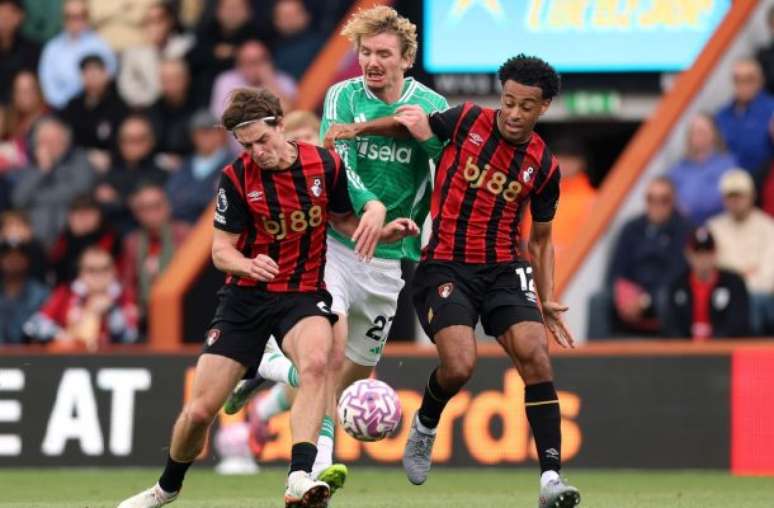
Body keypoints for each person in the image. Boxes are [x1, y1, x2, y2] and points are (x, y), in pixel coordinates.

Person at [116, 87, 417, 508]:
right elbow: (221, 250)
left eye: (262, 139)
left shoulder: (323, 164)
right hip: (245, 299)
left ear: (280, 125)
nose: (257, 152)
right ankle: (166, 488)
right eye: (247, 145)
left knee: (318, 364)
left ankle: (299, 476)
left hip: (302, 295)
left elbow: (343, 221)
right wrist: (246, 263)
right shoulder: (236, 178)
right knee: (200, 412)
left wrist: (381, 234)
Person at [325, 54, 581, 506]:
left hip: (504, 269)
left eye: (526, 106)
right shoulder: (466, 120)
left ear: (543, 107)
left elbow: (541, 240)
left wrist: (548, 297)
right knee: (460, 365)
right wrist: (358, 129)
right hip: (446, 264)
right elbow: (410, 125)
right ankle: (426, 424)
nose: (514, 113)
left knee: (536, 355)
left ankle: (551, 480)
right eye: (508, 101)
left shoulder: (543, 165)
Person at [223, 5, 448, 492]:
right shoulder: (343, 95)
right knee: (327, 351)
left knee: (351, 373)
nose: (372, 62)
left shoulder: (431, 103)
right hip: (336, 244)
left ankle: (270, 374)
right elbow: (339, 159)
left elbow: (443, 162)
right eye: (365, 52)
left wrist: (426, 137)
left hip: (390, 258)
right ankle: (317, 465)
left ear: (406, 58)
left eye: (383, 53)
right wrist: (371, 209)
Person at [587, 177, 691, 339]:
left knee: (667, 297)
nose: (657, 205)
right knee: (598, 301)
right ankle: (595, 353)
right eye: (651, 199)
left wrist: (645, 299)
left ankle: (672, 350)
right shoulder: (631, 228)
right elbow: (616, 270)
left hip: (662, 294)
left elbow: (678, 273)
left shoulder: (684, 229)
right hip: (631, 294)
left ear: (673, 201)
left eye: (664, 200)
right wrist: (625, 296)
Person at [24, 245, 139, 350]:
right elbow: (33, 326)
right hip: (73, 360)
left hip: (113, 362)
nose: (98, 276)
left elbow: (131, 336)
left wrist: (111, 311)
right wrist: (62, 335)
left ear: (114, 271)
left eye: (104, 269)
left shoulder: (122, 297)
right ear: (81, 272)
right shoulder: (66, 294)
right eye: (91, 270)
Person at [707, 169, 774, 335]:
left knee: (756, 301)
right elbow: (712, 270)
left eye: (740, 196)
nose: (735, 201)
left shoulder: (768, 227)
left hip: (760, 296)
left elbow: (769, 276)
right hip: (724, 294)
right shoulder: (713, 228)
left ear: (752, 196)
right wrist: (743, 276)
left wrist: (738, 280)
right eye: (730, 196)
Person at [12, 116, 96, 244]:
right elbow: (18, 200)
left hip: (70, 234)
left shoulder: (79, 159)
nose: (49, 145)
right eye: (43, 141)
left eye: (54, 140)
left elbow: (80, 191)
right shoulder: (30, 167)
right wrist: (41, 170)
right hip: (33, 237)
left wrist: (35, 198)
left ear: (66, 142)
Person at [663, 226, 750, 339]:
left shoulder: (733, 283)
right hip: (685, 348)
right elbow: (671, 326)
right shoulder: (677, 284)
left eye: (708, 253)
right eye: (698, 254)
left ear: (715, 254)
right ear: (688, 255)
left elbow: (738, 324)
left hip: (723, 348)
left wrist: (713, 340)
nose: (703, 259)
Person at [121, 182, 190, 321]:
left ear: (168, 207)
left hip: (182, 310)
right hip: (145, 313)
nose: (151, 214)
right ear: (136, 213)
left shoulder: (185, 235)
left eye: (156, 206)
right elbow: (128, 283)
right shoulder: (132, 242)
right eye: (144, 209)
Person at [38, 0, 116, 109]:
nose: (74, 21)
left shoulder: (100, 45)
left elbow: (109, 76)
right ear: (62, 18)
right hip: (62, 109)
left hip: (95, 106)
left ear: (87, 18)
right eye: (69, 17)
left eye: (79, 16)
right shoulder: (52, 48)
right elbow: (48, 85)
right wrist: (66, 106)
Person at [60, 53, 129, 172]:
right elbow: (66, 135)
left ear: (106, 74)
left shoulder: (119, 105)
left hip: (111, 163)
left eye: (95, 71)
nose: (91, 76)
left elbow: (123, 139)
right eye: (87, 72)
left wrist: (110, 156)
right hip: (76, 160)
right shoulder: (73, 105)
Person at [117, 1, 195, 107]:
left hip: (183, 106)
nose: (155, 27)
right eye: (149, 21)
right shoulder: (133, 54)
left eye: (159, 20)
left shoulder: (187, 47)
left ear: (170, 21)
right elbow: (127, 87)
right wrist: (153, 102)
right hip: (148, 108)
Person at [668, 113, 738, 226]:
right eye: (694, 132)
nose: (698, 136)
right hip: (686, 227)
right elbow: (671, 198)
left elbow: (731, 197)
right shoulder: (678, 169)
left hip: (722, 226)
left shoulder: (727, 165)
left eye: (702, 131)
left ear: (714, 134)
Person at [166, 110, 233, 223]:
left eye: (210, 132)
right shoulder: (184, 165)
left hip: (216, 224)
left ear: (221, 134)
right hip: (182, 224)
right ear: (193, 136)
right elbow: (172, 195)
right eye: (201, 132)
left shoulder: (232, 163)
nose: (206, 137)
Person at [714, 58, 774, 180]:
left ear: (761, 81)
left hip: (763, 178)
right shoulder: (722, 115)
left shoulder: (771, 109)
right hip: (730, 178)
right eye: (738, 79)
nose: (743, 85)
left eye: (749, 79)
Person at [49, 194, 120, 285]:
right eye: (79, 214)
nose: (84, 218)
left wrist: (81, 238)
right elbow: (56, 268)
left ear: (99, 216)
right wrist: (75, 237)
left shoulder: (110, 237)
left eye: (88, 213)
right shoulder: (64, 239)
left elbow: (96, 263)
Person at [0, 239, 49, 344]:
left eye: (18, 257)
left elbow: (44, 331)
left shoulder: (41, 294)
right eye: (8, 257)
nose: (13, 261)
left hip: (31, 351)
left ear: (26, 261)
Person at [0, 0, 41, 103]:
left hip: (21, 105)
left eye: (8, 16)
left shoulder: (32, 50)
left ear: (20, 16)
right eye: (1, 16)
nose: (4, 21)